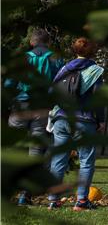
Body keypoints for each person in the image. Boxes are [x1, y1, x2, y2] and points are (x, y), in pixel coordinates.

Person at [4, 29, 63, 206]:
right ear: (48, 43)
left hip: (19, 107)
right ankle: (25, 194)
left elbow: (9, 83)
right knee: (35, 150)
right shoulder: (55, 58)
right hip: (42, 109)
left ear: (31, 42)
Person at [47, 37, 105, 211]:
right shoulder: (95, 70)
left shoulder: (64, 68)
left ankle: (53, 200)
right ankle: (81, 202)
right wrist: (101, 120)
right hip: (84, 121)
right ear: (93, 52)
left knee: (58, 160)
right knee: (86, 161)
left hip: (62, 119)